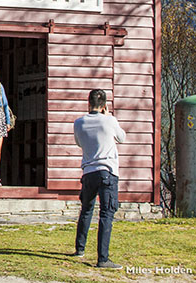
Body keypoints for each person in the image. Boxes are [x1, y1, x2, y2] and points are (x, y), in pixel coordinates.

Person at [73, 88, 126, 269]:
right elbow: (122, 138)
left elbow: (79, 142)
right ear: (104, 105)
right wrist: (108, 116)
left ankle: (80, 248)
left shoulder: (79, 123)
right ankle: (103, 258)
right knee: (106, 214)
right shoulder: (109, 121)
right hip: (107, 172)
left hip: (88, 172)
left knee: (86, 209)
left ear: (88, 103)